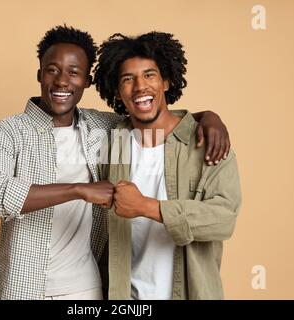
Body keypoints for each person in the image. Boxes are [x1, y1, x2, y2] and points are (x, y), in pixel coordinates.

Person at [0, 25, 231, 300]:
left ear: (87, 80)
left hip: (86, 289)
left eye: (74, 72)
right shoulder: (9, 132)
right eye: (52, 70)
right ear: (40, 74)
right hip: (21, 286)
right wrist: (78, 189)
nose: (62, 81)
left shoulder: (102, 128)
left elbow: (150, 113)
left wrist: (208, 117)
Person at [95, 32, 242, 300]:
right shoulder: (113, 141)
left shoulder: (208, 142)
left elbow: (224, 219)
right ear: (117, 91)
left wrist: (147, 207)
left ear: (166, 81)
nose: (140, 87)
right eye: (128, 79)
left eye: (149, 75)